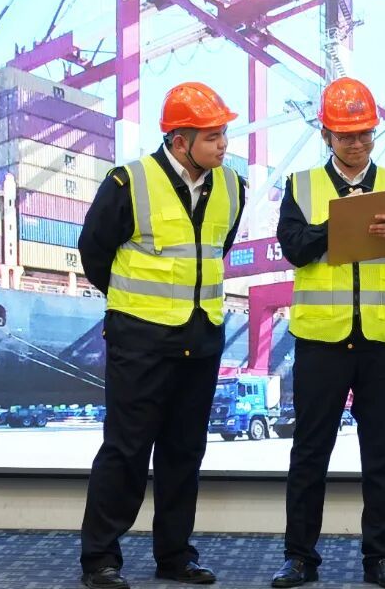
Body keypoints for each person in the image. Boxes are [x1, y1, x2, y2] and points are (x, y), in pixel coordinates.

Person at [270, 77, 385, 589]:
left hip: (381, 342)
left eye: (365, 133)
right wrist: (338, 225)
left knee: (382, 457)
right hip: (322, 341)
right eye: (346, 136)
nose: (358, 143)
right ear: (326, 135)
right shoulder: (301, 186)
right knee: (309, 454)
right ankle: (299, 558)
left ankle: (381, 559)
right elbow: (294, 248)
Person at [78, 82, 246, 589]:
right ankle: (100, 559)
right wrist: (137, 308)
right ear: (179, 141)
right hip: (140, 341)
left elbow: (215, 249)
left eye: (223, 134)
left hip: (202, 338)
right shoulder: (128, 183)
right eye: (212, 137)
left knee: (184, 452)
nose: (223, 145)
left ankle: (176, 556)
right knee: (126, 450)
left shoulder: (232, 186)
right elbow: (95, 253)